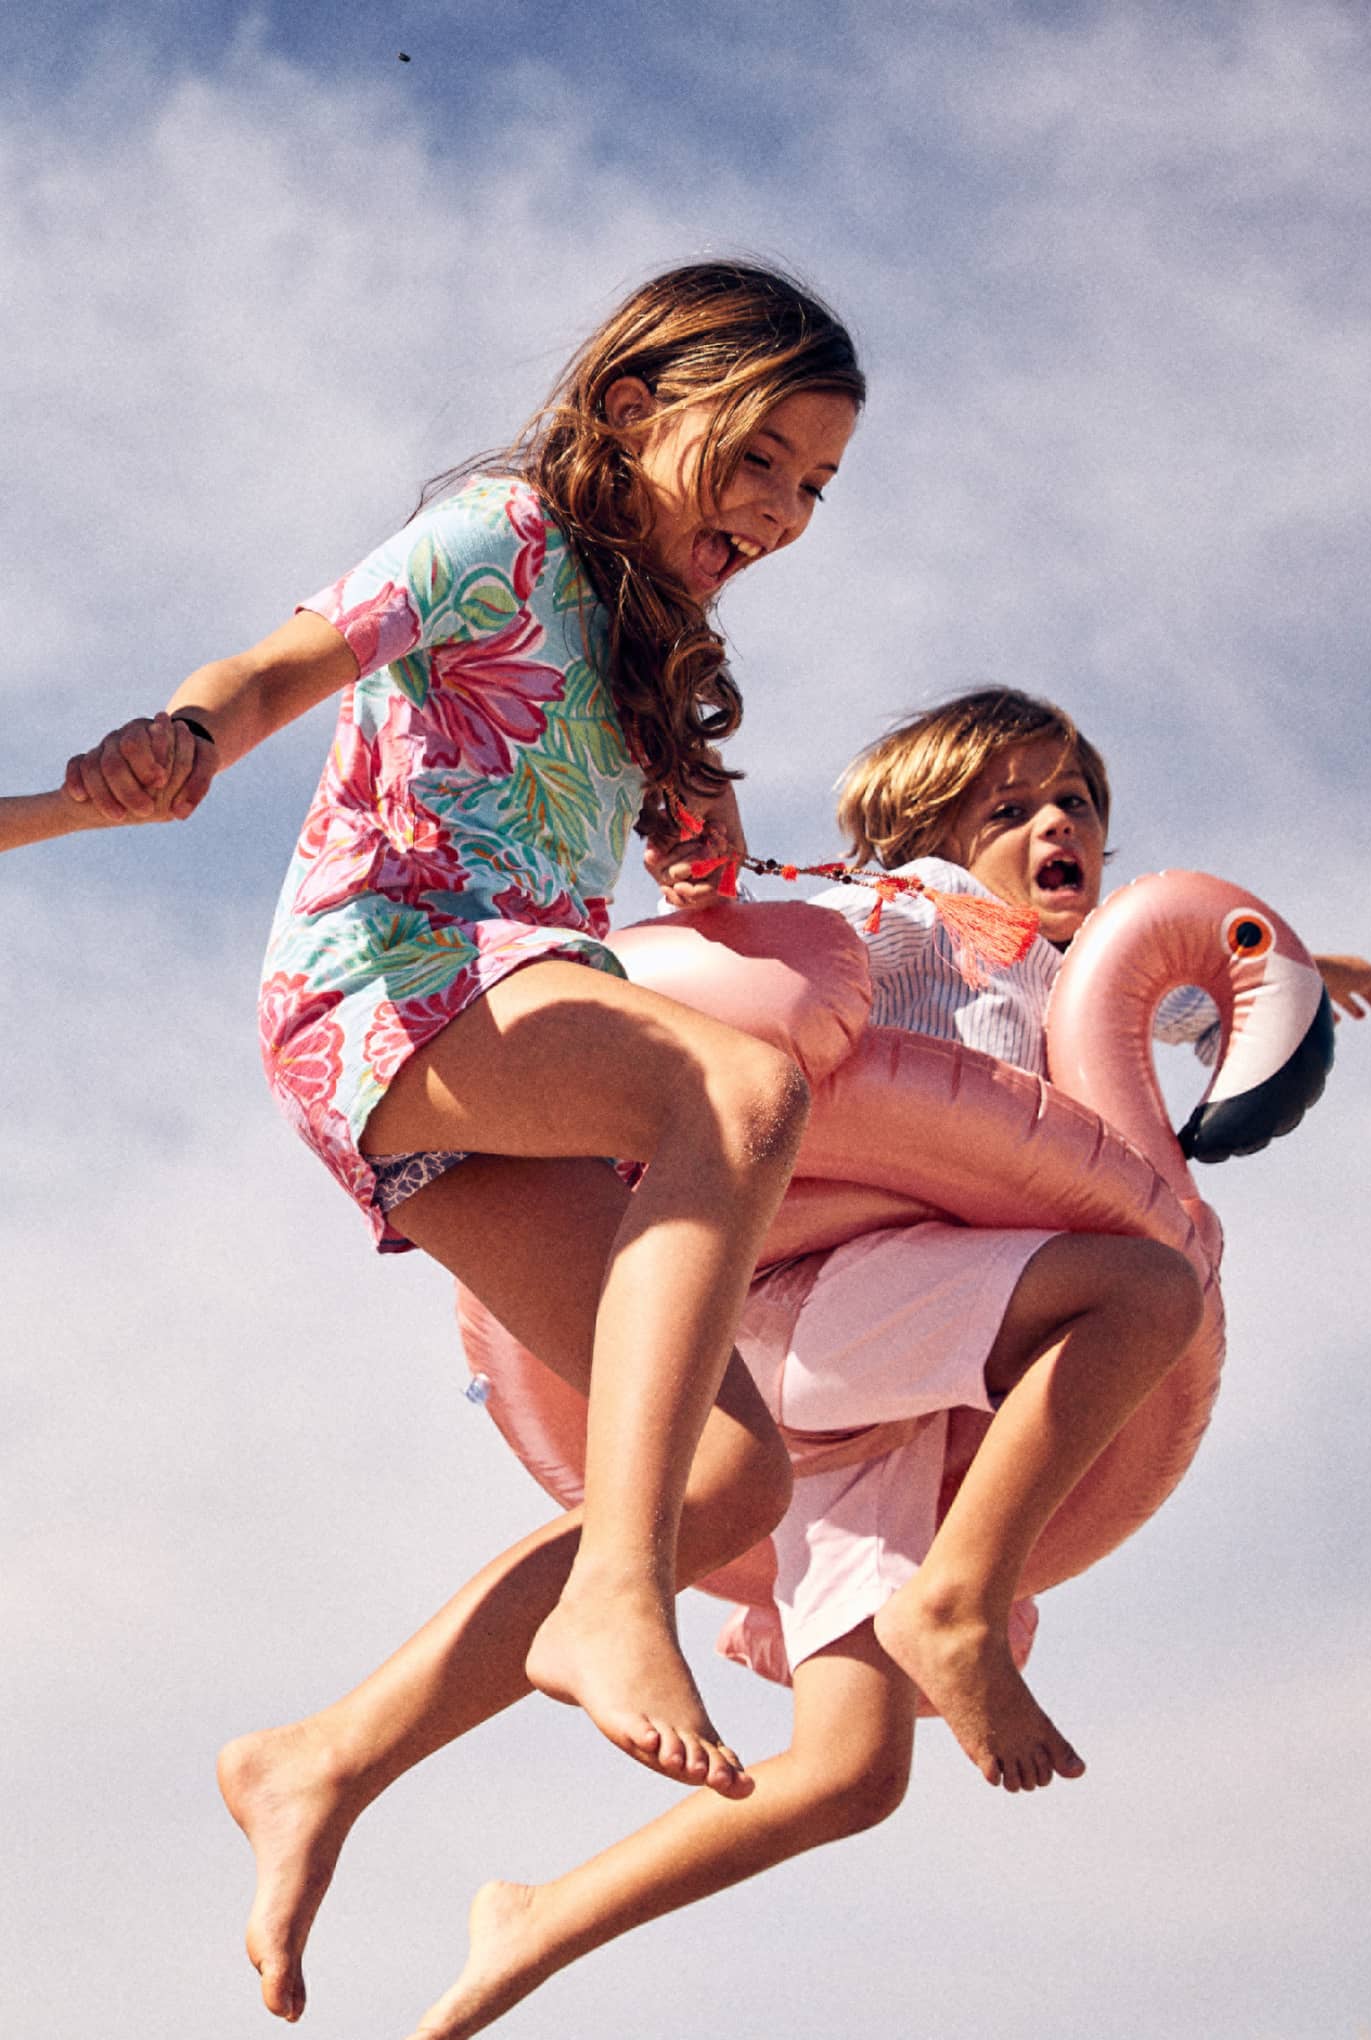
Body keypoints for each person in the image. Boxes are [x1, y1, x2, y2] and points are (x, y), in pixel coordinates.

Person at [385, 686, 1371, 2040]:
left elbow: (1158, 976)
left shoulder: (1064, 981)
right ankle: (960, 1604)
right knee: (1140, 1288)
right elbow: (730, 924)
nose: (1058, 823)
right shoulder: (893, 916)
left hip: (888, 1391)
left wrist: (1301, 969)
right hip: (796, 1303)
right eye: (1011, 807)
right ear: (928, 833)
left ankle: (534, 1918)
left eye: (1078, 805)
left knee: (850, 1773)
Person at [53, 262, 865, 1855]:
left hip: (501, 1041)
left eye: (816, 484)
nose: (780, 507)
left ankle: (320, 1762)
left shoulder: (660, 668)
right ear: (633, 410)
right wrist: (191, 737)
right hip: (391, 974)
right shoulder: (505, 537)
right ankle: (615, 1599)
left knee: (724, 1477)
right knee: (735, 1088)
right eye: (758, 457)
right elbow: (282, 663)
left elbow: (731, 895)